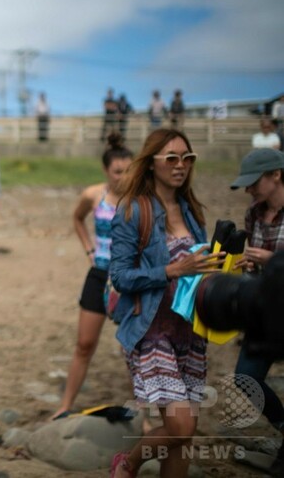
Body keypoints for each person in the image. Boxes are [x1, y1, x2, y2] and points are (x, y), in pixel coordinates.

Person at [108, 129, 223, 478]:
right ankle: (128, 463)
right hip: (150, 333)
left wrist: (226, 266)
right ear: (152, 163)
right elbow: (120, 276)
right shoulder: (133, 210)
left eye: (187, 158)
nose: (180, 165)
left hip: (189, 333)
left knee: (182, 439)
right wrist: (172, 269)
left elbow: (200, 268)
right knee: (181, 429)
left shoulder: (191, 210)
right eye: (171, 158)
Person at [51, 133, 133, 420]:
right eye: (118, 172)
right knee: (84, 345)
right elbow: (77, 218)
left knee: (133, 348)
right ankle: (65, 406)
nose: (123, 177)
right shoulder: (93, 195)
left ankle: (145, 416)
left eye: (128, 171)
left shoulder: (141, 198)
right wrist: (89, 249)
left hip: (131, 280)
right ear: (106, 170)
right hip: (99, 275)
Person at [229, 148, 284, 472]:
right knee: (246, 377)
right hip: (265, 310)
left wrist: (272, 261)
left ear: (276, 175)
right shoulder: (252, 213)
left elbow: (270, 260)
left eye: (253, 182)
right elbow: (254, 266)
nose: (249, 189)